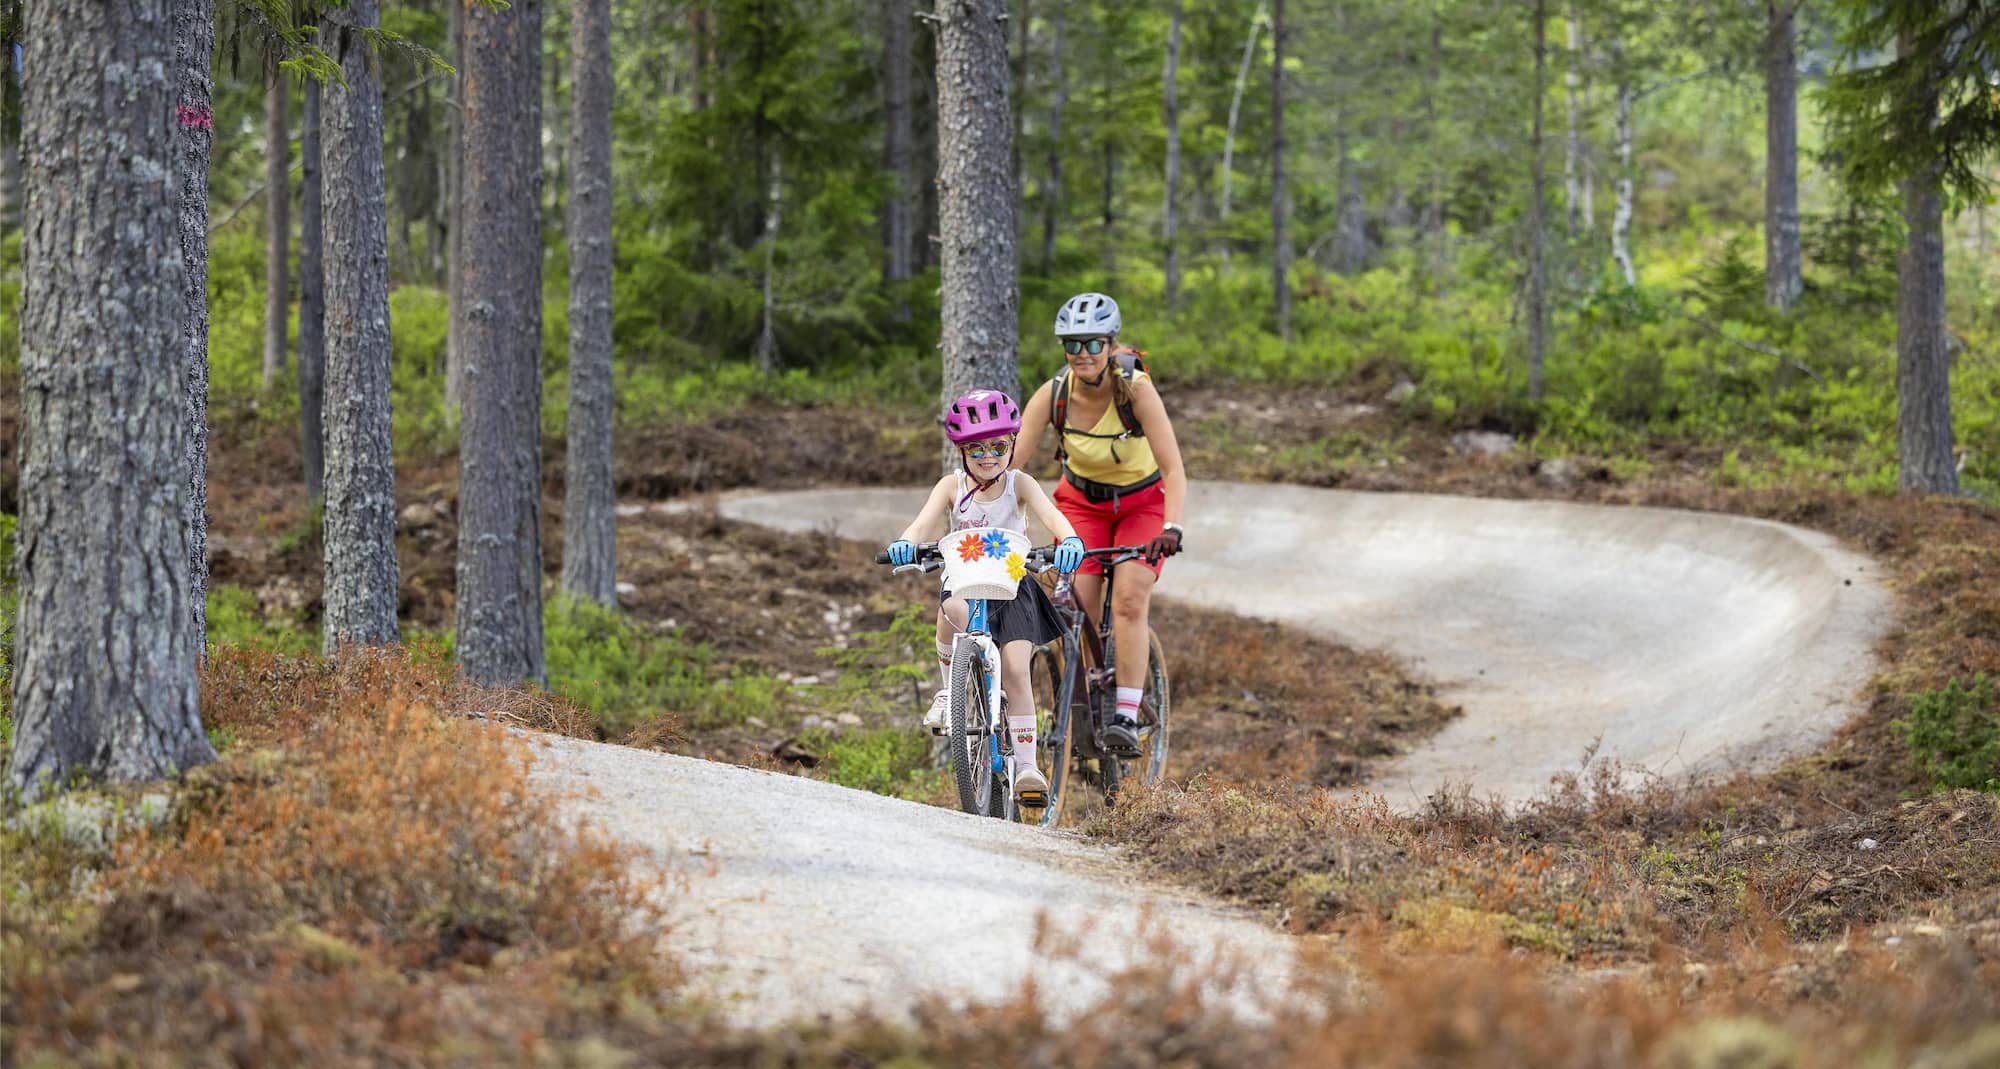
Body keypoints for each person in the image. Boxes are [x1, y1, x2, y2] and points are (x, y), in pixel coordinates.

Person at [886, 389, 1085, 807]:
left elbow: (1054, 517)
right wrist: (905, 544)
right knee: (950, 611)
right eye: (976, 448)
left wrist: (1068, 540)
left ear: (1012, 444)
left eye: (998, 446)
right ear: (961, 451)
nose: (988, 456)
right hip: (967, 579)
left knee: (1015, 666)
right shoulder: (951, 486)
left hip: (1012, 585)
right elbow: (922, 524)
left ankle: (1028, 766)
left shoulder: (1020, 484)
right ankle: (950, 693)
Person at [1014, 292, 1186, 756]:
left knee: (1129, 598)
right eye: (1072, 344)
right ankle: (1088, 703)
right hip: (1082, 506)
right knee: (1078, 608)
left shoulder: (1136, 389)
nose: (1083, 354)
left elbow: (1173, 469)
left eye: (1093, 344)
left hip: (1142, 506)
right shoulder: (1054, 395)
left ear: (1110, 344)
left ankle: (1126, 715)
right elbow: (1012, 465)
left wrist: (1172, 528)